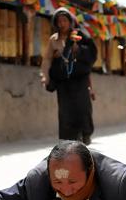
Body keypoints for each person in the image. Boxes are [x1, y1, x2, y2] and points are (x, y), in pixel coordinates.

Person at [40, 8, 97, 145]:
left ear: (70, 22)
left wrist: (79, 51)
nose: (62, 24)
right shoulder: (54, 40)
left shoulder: (81, 36)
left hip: (79, 79)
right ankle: (68, 140)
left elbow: (91, 54)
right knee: (65, 110)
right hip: (63, 80)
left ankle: (85, 134)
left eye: (64, 20)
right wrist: (45, 76)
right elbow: (47, 59)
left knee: (83, 107)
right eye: (59, 21)